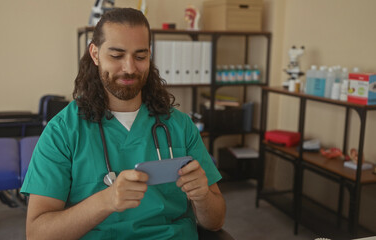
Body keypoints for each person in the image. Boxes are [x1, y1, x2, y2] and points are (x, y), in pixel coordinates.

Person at [21, 8, 226, 240]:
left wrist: (202, 197)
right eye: (117, 56)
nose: (129, 68)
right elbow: (37, 234)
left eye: (140, 57)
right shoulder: (62, 132)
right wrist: (105, 201)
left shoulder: (179, 125)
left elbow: (216, 221)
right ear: (95, 54)